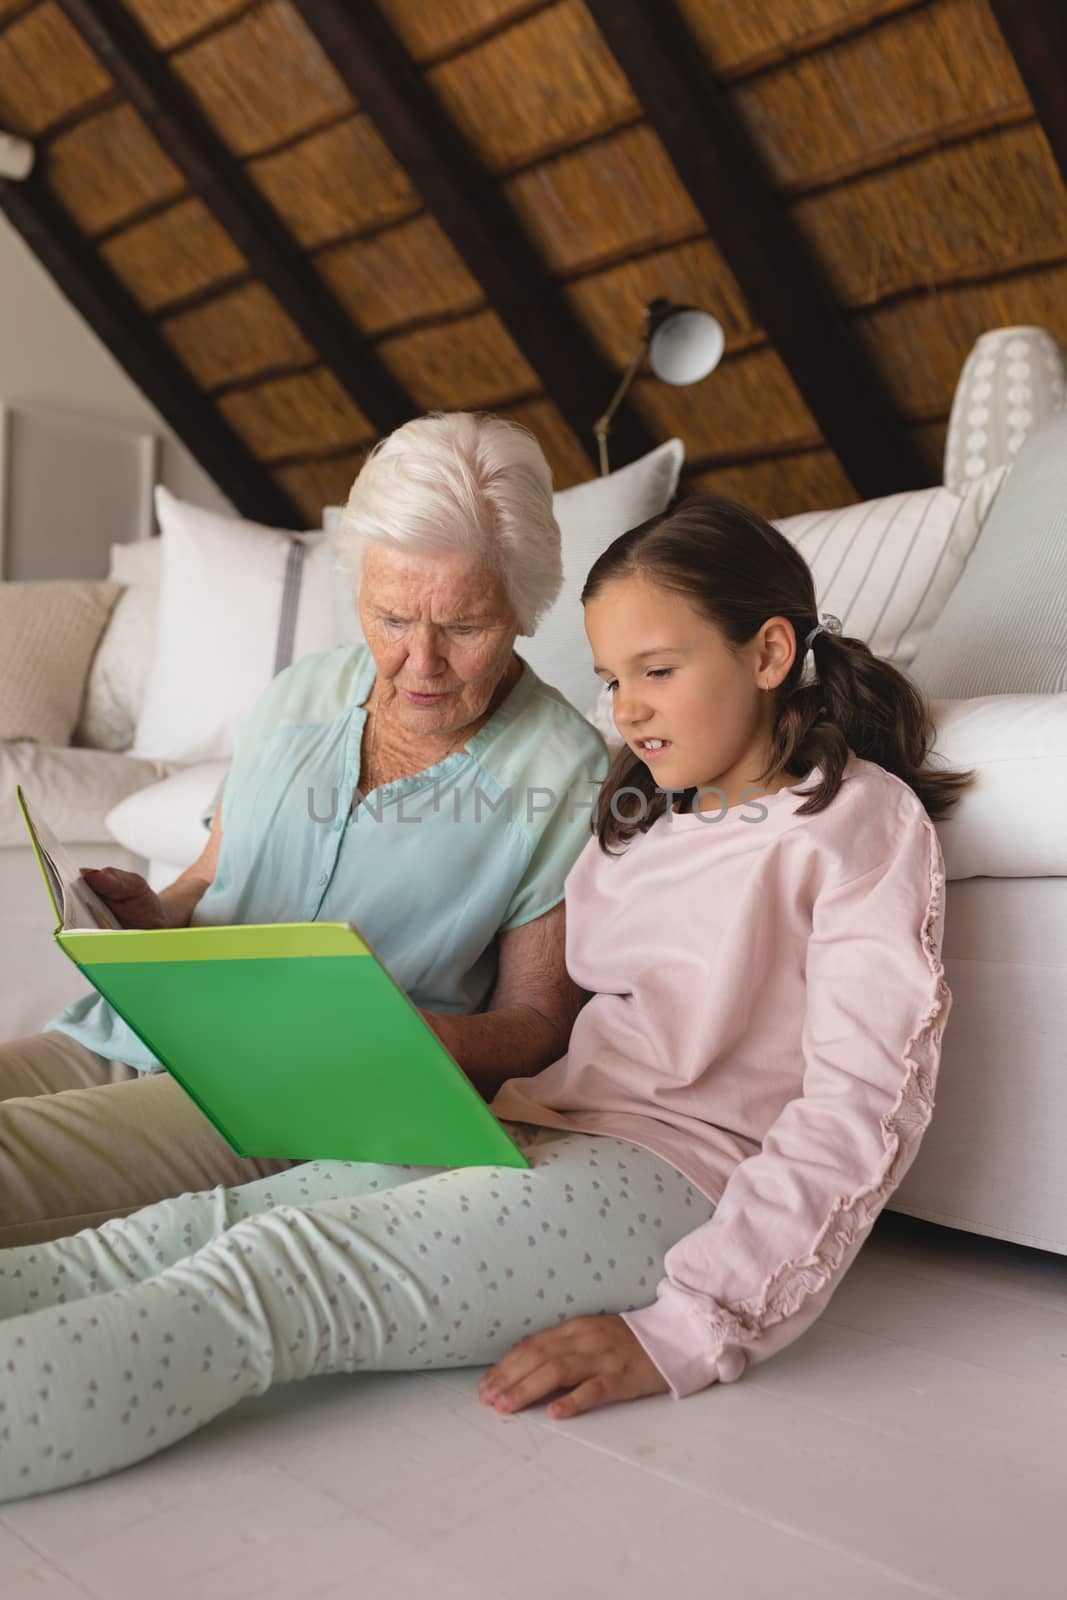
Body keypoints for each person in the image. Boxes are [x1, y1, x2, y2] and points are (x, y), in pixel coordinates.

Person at [0, 493, 975, 1502]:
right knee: (194, 1228)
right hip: (532, 1124)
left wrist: (693, 1326)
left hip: (678, 1176)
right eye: (609, 679)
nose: (626, 709)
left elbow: (863, 1103)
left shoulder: (854, 819)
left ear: (768, 653)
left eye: (656, 671)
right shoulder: (637, 816)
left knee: (278, 1273)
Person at [0, 412, 607, 1246]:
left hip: (294, 1089)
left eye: (463, 628)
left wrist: (412, 1036)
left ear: (525, 608)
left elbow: (538, 1024)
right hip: (140, 1026)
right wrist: (151, 914)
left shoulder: (564, 771)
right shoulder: (303, 691)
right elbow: (207, 880)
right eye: (391, 618)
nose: (419, 665)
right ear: (360, 589)